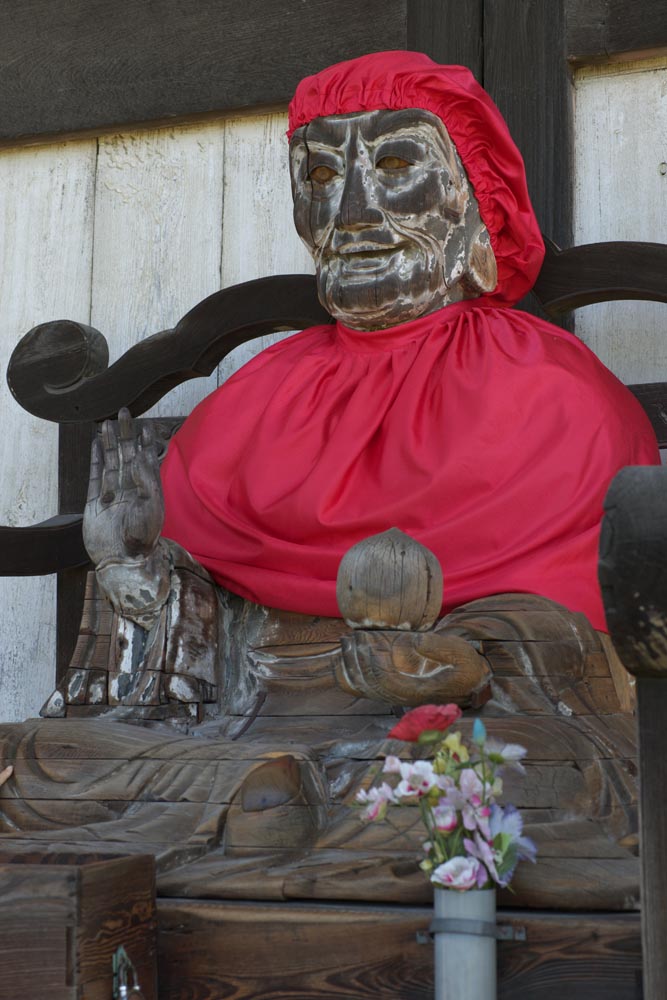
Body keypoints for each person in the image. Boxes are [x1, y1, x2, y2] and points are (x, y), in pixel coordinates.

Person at [3, 52, 658, 907]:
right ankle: (261, 816)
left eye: (392, 166)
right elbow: (184, 659)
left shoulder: (550, 388)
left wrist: (435, 661)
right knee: (35, 759)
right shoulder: (260, 393)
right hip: (242, 731)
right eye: (317, 173)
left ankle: (253, 820)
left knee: (463, 786)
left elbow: (582, 642)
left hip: (434, 729)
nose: (350, 210)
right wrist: (139, 575)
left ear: (471, 195)